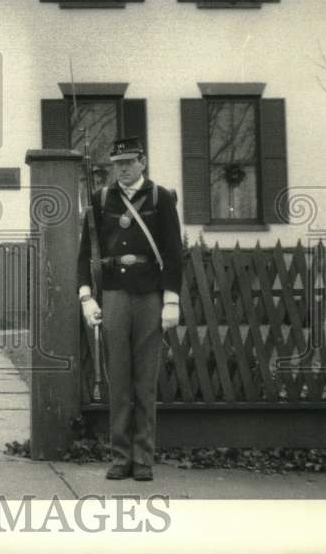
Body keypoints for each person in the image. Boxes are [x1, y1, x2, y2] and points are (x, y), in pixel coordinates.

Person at [76, 137, 183, 482]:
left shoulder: (159, 198)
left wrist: (171, 299)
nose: (122, 168)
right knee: (118, 379)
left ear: (143, 161)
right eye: (116, 163)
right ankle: (120, 457)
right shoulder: (101, 199)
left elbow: (172, 253)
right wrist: (86, 296)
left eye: (128, 161)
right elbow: (85, 253)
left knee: (145, 381)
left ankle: (144, 459)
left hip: (149, 295)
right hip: (115, 295)